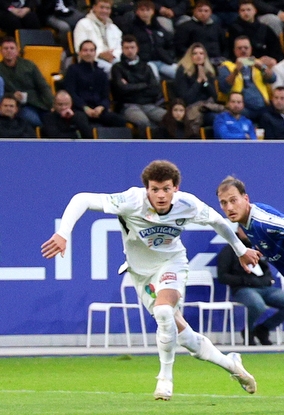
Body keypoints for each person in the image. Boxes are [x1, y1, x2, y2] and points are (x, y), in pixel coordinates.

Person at [41, 160, 260, 400]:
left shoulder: (188, 204)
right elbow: (82, 198)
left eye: (166, 188)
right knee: (184, 336)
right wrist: (63, 233)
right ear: (147, 189)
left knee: (165, 311)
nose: (161, 195)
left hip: (172, 263)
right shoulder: (131, 201)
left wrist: (240, 250)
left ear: (176, 188)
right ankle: (233, 366)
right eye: (155, 189)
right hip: (141, 273)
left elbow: (218, 222)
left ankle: (165, 379)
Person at [216, 232, 284, 346]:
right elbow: (222, 276)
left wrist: (266, 280)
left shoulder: (255, 248)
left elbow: (267, 271)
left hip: (265, 288)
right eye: (244, 229)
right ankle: (249, 331)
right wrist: (245, 281)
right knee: (257, 305)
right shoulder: (229, 250)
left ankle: (263, 329)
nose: (248, 233)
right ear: (238, 230)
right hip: (243, 289)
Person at [63, 39, 129, 129]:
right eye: (85, 50)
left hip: (98, 109)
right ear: (80, 53)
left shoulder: (101, 73)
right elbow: (71, 93)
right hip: (80, 109)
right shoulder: (73, 70)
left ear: (95, 53)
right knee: (81, 121)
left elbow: (105, 96)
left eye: (91, 50)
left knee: (120, 121)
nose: (88, 53)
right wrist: (85, 108)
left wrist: (101, 107)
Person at [112, 36, 167, 128]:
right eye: (126, 48)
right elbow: (121, 89)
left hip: (149, 104)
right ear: (122, 49)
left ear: (137, 48)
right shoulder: (117, 68)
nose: (130, 51)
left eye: (132, 47)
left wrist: (131, 86)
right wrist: (145, 85)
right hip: (129, 105)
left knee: (169, 118)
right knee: (143, 122)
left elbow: (155, 89)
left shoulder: (146, 67)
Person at [218, 36, 277, 121]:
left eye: (246, 48)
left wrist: (261, 67)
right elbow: (224, 88)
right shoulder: (227, 66)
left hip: (262, 107)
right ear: (234, 50)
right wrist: (235, 71)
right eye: (239, 48)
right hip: (241, 108)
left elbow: (273, 79)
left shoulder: (258, 64)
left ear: (251, 49)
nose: (243, 50)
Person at [0, 36, 53, 128]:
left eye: (12, 48)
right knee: (35, 121)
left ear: (17, 50)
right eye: (5, 48)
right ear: (1, 51)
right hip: (17, 106)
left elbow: (43, 86)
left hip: (37, 102)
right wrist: (12, 96)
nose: (9, 51)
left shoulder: (29, 65)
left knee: (52, 121)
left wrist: (52, 104)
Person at [173, 43, 223, 136]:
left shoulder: (208, 72)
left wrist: (205, 81)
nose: (198, 56)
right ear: (190, 56)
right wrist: (198, 81)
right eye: (195, 53)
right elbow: (185, 99)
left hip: (207, 107)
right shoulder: (182, 72)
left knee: (226, 116)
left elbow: (215, 97)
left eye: (201, 53)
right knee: (217, 118)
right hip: (192, 109)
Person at [126, 0, 179, 80]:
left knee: (181, 74)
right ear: (137, 12)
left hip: (162, 60)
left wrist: (169, 55)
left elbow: (171, 44)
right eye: (142, 10)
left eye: (148, 10)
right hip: (145, 62)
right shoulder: (132, 29)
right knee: (154, 77)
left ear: (153, 12)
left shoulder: (158, 28)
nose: (145, 13)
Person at [72, 0, 122, 74]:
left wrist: (113, 55)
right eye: (101, 7)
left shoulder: (114, 28)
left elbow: (119, 48)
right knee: (113, 70)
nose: (104, 11)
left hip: (113, 59)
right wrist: (100, 54)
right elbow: (79, 48)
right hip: (92, 60)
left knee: (126, 68)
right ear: (94, 8)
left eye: (107, 8)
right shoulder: (83, 24)